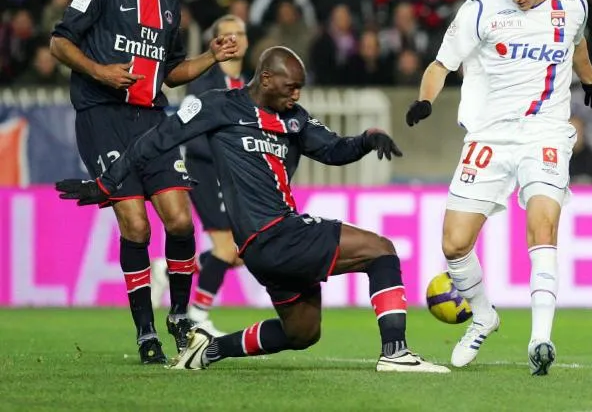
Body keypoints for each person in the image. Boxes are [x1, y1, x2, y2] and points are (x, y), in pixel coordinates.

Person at [56, 47, 449, 374]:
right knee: (381, 250)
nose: (296, 95)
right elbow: (156, 140)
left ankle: (207, 351)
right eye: (290, 87)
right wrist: (108, 182)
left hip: (265, 247)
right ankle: (395, 352)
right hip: (274, 232)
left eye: (299, 88)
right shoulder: (218, 107)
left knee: (302, 334)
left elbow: (332, 149)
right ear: (265, 79)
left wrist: (366, 139)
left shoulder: (293, 118)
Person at [405, 0, 592, 376]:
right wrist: (425, 101)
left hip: (545, 132)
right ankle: (484, 315)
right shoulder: (480, 8)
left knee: (542, 226)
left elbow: (577, 45)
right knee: (454, 244)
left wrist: (591, 81)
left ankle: (540, 339)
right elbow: (441, 65)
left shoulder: (573, 4)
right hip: (491, 134)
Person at [50, 0, 240, 364]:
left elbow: (170, 73)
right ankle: (144, 332)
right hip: (102, 118)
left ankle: (178, 315)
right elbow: (59, 43)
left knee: (178, 221)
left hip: (152, 120)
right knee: (135, 225)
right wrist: (99, 72)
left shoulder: (171, 6)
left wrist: (210, 57)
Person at [150, 15, 250, 335]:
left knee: (241, 252)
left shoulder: (248, 85)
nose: (234, 39)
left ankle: (171, 268)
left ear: (247, 41)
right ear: (216, 42)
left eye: (239, 33)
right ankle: (197, 315)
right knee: (226, 249)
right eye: (226, 35)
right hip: (205, 170)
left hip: (234, 176)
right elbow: (190, 132)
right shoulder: (205, 82)